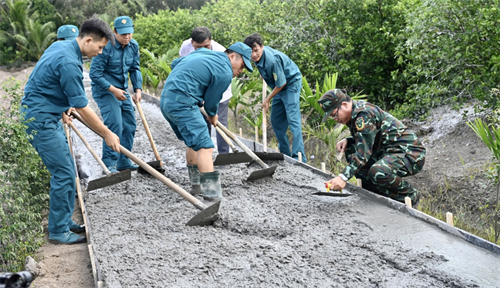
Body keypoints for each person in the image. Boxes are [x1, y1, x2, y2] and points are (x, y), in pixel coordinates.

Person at [21, 17, 121, 244]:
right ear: (87, 40)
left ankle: (64, 221)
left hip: (48, 113)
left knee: (67, 170)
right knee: (64, 173)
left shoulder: (62, 46)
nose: (100, 52)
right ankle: (58, 231)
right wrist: (106, 133)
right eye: (100, 47)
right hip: (41, 120)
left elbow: (48, 80)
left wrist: (63, 108)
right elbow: (83, 107)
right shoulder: (69, 62)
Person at [160, 42, 253, 200]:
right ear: (232, 56)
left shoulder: (203, 52)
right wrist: (212, 115)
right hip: (183, 103)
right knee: (205, 145)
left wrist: (193, 86)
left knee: (194, 143)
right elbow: (212, 101)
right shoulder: (225, 71)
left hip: (166, 99)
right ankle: (212, 195)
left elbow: (176, 63)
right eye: (242, 65)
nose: (241, 71)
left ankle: (196, 186)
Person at [319, 89, 426, 205]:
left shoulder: (363, 114)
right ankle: (376, 194)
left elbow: (363, 153)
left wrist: (343, 177)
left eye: (334, 114)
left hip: (410, 153)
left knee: (378, 171)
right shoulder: (354, 113)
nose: (335, 119)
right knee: (351, 149)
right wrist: (349, 140)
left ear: (344, 105)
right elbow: (369, 137)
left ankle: (409, 196)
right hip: (387, 151)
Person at [90, 16, 142, 173]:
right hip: (105, 90)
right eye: (123, 34)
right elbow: (95, 74)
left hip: (123, 90)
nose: (127, 37)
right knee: (115, 124)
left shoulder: (133, 46)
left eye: (129, 33)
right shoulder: (106, 47)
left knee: (130, 125)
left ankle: (123, 160)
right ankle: (109, 163)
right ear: (114, 32)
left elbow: (135, 68)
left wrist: (138, 89)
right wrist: (113, 90)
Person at [244, 33, 307, 162]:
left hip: (290, 83)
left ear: (262, 46)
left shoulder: (272, 60)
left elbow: (282, 83)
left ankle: (299, 157)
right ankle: (285, 154)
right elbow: (273, 77)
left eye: (256, 51)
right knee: (276, 120)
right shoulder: (257, 59)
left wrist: (267, 100)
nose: (254, 55)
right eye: (251, 52)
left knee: (292, 119)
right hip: (278, 86)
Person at [179, 27, 232, 155]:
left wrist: (210, 105)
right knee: (203, 124)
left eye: (206, 46)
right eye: (198, 47)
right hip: (198, 92)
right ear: (192, 43)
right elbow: (182, 67)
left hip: (220, 91)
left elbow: (220, 80)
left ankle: (225, 155)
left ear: (211, 41)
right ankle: (205, 154)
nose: (203, 50)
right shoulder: (186, 47)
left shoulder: (220, 51)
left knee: (221, 124)